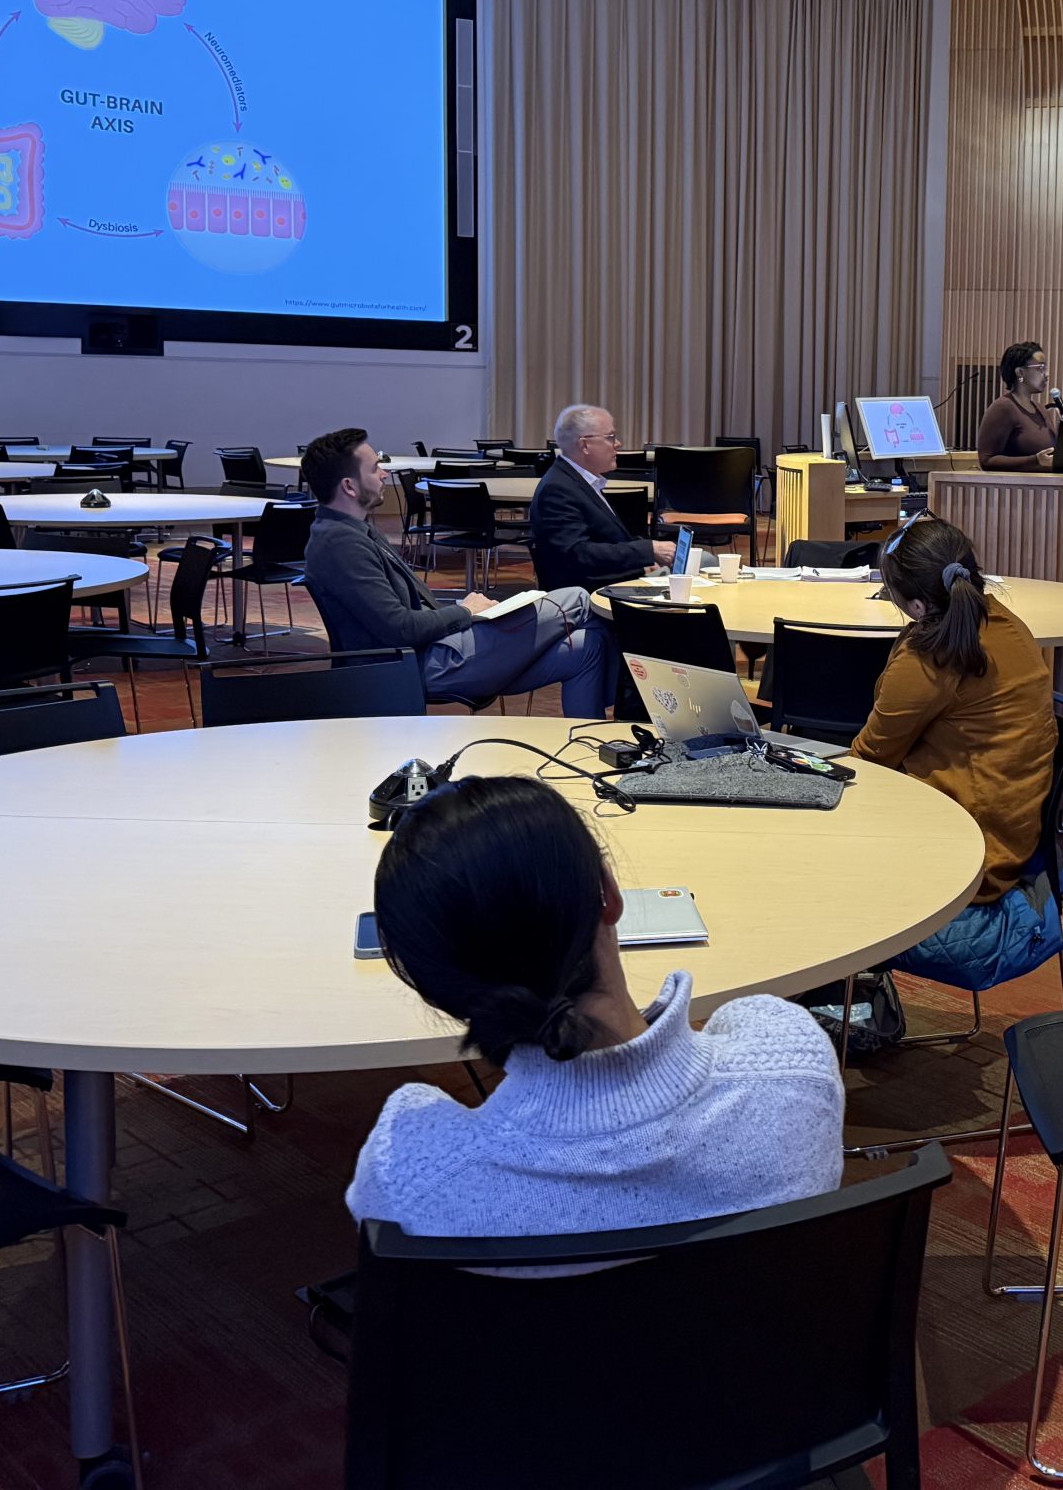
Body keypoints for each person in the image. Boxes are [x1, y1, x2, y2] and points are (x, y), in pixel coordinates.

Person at [347, 776, 844, 1238]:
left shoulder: (408, 1179)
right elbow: (752, 1023)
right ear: (608, 893)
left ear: (430, 982)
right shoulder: (795, 1069)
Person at [851, 517, 1063, 990]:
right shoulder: (1008, 626)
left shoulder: (932, 654)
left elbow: (870, 759)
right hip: (1005, 836)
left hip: (965, 858)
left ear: (917, 604)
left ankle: (838, 1007)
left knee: (800, 865)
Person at [301, 427, 615, 715]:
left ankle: (600, 751)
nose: (384, 474)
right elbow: (399, 629)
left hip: (434, 653)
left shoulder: (350, 531)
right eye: (374, 468)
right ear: (349, 486)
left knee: (587, 646)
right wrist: (464, 612)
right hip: (419, 664)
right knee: (576, 598)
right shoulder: (340, 544)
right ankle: (636, 702)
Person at [531, 403, 676, 589]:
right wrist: (647, 552)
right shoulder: (557, 489)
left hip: (612, 581)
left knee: (701, 563)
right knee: (703, 565)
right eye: (611, 437)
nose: (618, 444)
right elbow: (578, 554)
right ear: (584, 445)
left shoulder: (579, 481)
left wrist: (646, 557)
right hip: (592, 597)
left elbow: (607, 541)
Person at [976, 340, 1060, 471]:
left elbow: (1053, 456)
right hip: (1015, 490)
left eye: (1046, 368)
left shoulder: (1041, 410)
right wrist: (1035, 460)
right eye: (1040, 368)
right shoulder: (1003, 408)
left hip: (1045, 488)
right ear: (1020, 373)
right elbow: (987, 460)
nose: (1047, 374)